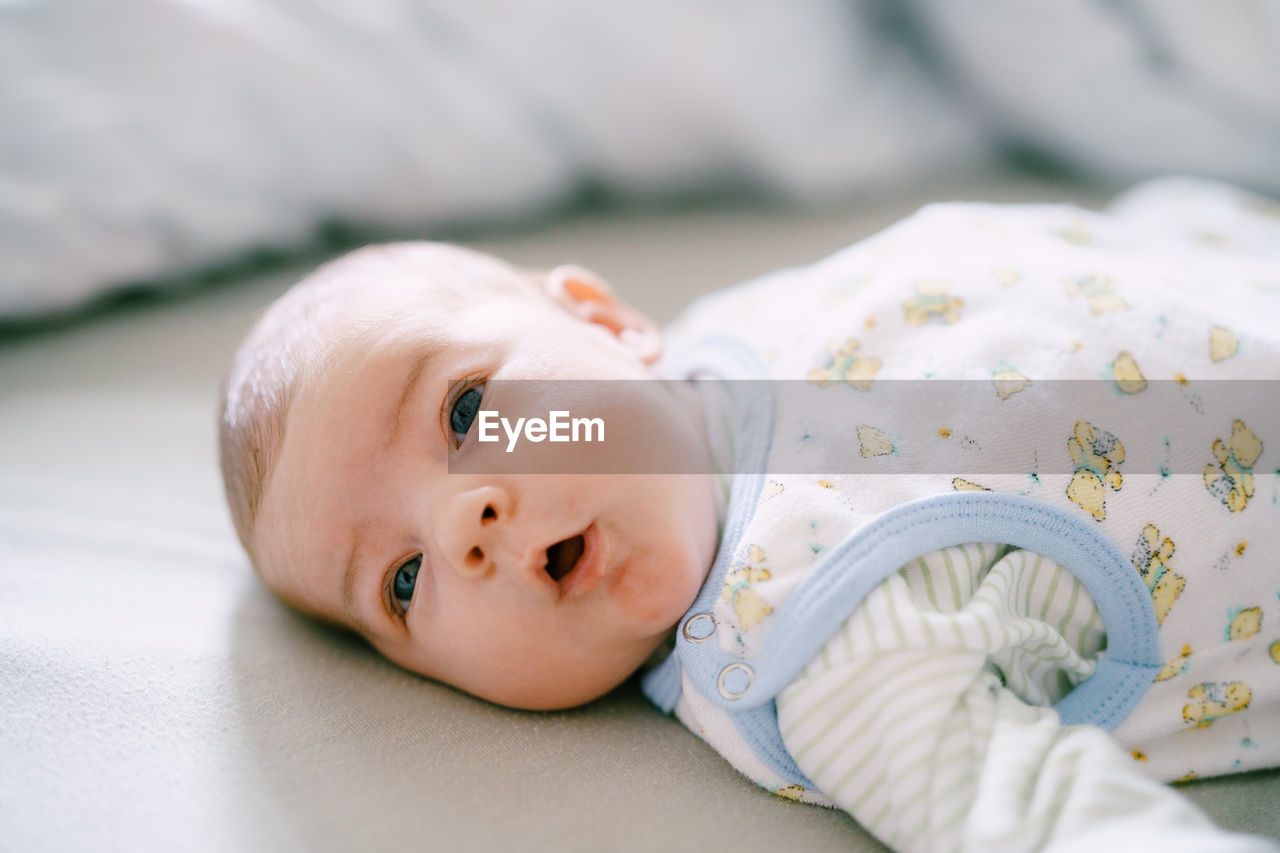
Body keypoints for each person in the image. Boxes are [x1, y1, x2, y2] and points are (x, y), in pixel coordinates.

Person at [219, 177, 1280, 852]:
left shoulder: (725, 339)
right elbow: (1045, 823)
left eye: (463, 409)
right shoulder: (828, 657)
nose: (465, 519)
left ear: (604, 322)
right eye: (404, 580)